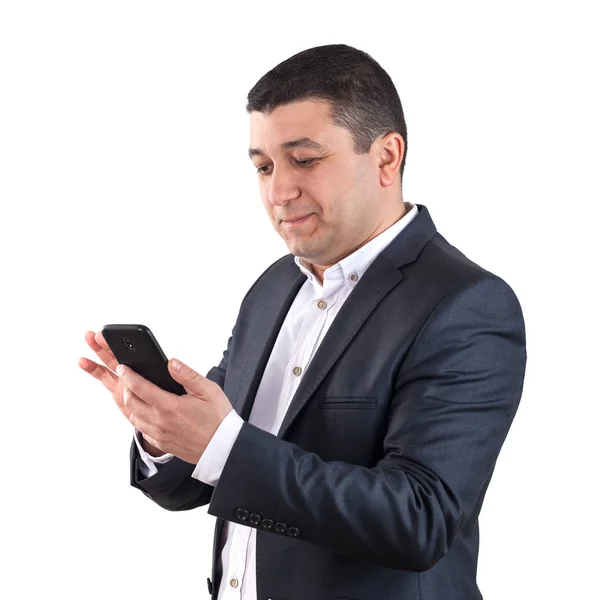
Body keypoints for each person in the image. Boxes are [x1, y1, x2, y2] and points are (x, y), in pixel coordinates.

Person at [80, 43, 527, 600]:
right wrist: (163, 432)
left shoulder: (467, 304)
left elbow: (421, 519)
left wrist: (222, 445)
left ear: (387, 158)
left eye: (305, 160)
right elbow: (197, 481)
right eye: (263, 166)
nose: (277, 190)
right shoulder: (274, 287)